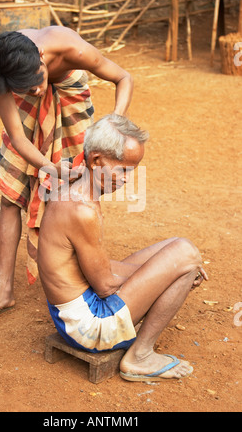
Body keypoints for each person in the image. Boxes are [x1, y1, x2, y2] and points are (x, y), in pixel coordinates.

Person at [0, 26, 133, 328]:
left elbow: (124, 78)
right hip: (27, 117)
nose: (36, 91)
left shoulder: (71, 48)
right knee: (11, 197)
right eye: (25, 89)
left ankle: (85, 282)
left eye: (36, 82)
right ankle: (3, 291)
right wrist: (48, 165)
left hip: (72, 105)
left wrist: (113, 121)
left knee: (76, 193)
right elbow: (18, 138)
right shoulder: (1, 73)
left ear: (41, 58)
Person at [38, 113, 208, 381]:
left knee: (173, 249)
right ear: (96, 160)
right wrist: (165, 276)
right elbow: (105, 285)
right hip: (89, 328)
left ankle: (175, 270)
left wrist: (163, 273)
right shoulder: (82, 211)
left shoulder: (77, 191)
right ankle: (140, 356)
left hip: (69, 316)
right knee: (185, 253)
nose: (128, 179)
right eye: (125, 169)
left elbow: (97, 271)